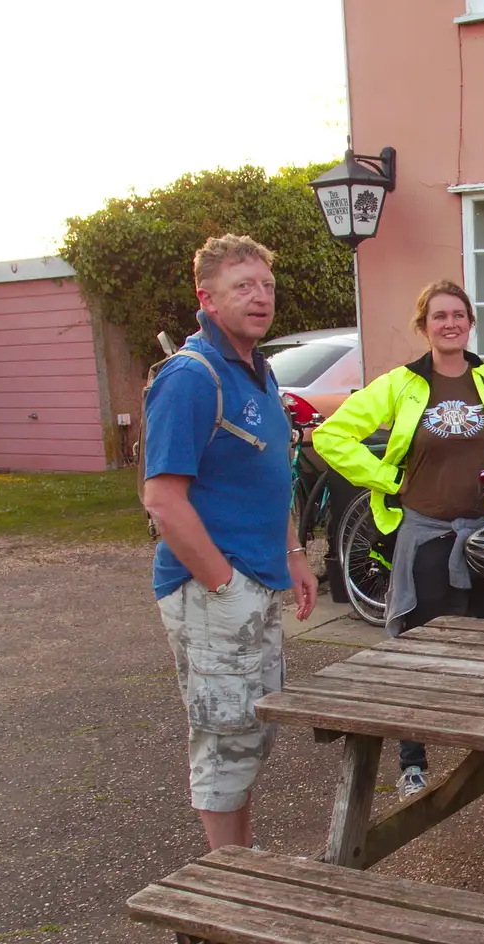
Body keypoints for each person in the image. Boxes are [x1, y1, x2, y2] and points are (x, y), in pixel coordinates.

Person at [313, 279, 484, 793]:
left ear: (471, 322)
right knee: (418, 647)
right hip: (426, 535)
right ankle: (413, 759)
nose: (450, 323)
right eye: (439, 316)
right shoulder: (401, 385)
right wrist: (390, 480)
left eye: (459, 314)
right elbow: (331, 435)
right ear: (424, 326)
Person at [142, 233, 319, 851]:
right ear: (207, 299)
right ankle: (227, 878)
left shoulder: (257, 371)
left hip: (260, 576)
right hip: (213, 588)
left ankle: (240, 860)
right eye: (243, 286)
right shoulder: (190, 378)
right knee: (222, 733)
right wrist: (222, 585)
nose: (261, 296)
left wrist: (293, 554)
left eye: (266, 285)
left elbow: (273, 476)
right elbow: (162, 499)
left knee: (250, 727)